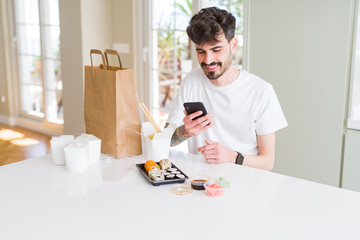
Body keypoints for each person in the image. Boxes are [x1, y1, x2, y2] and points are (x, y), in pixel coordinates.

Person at [166, 7, 287, 171]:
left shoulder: (261, 91)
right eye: (201, 52)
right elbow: (165, 141)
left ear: (233, 45)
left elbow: (267, 162)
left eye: (216, 50)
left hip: (246, 183)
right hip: (201, 182)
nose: (208, 60)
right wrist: (185, 132)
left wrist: (231, 156)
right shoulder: (191, 81)